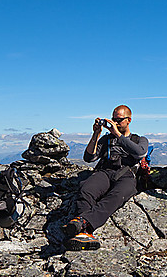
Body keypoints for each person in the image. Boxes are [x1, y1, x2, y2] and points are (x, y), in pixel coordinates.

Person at [64, 105, 149, 250]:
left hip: (126, 174)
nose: (115, 123)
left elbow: (140, 153)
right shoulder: (106, 140)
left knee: (118, 195)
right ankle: (84, 232)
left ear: (129, 120)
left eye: (119, 120)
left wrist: (119, 136)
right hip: (105, 171)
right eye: (113, 119)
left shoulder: (139, 139)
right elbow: (89, 158)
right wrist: (96, 134)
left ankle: (82, 222)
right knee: (87, 190)